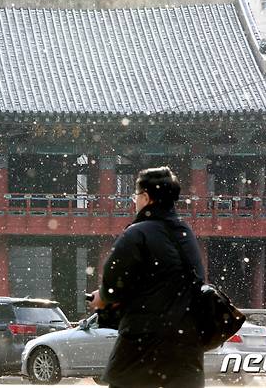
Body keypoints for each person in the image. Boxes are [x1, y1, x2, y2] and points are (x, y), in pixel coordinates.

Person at [88, 166, 205, 388]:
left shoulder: (137, 233)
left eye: (136, 196)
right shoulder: (185, 233)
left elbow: (113, 284)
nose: (135, 201)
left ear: (146, 198)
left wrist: (102, 297)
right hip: (186, 343)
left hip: (143, 341)